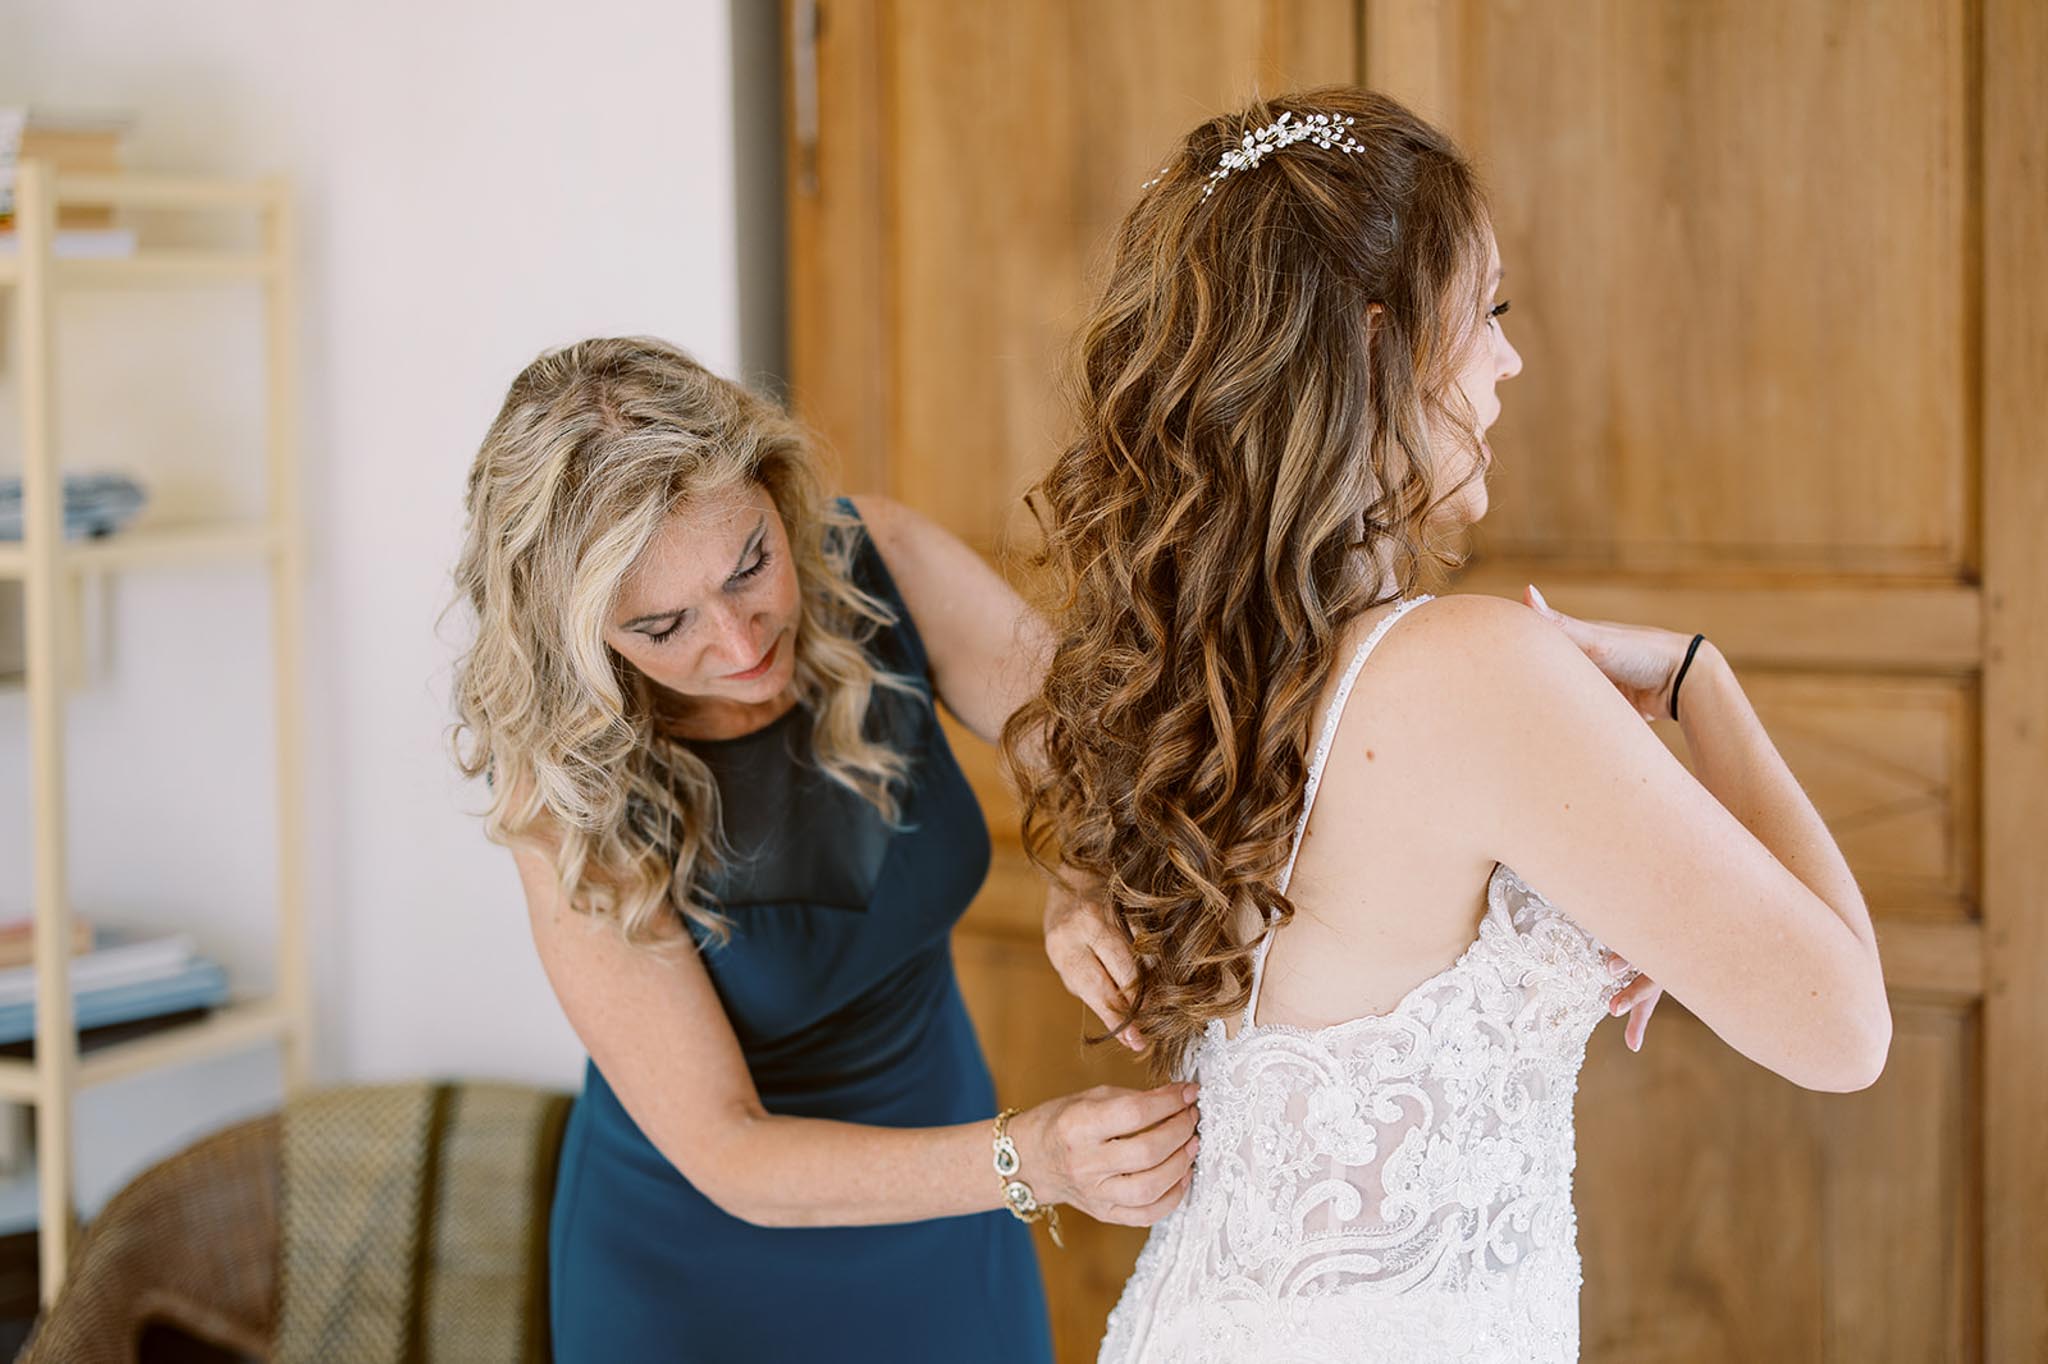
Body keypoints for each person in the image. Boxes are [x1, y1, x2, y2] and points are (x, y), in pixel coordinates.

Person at [1004, 87, 1892, 1363]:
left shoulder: (1202, 673)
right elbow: (1844, 1027)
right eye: (1487, 313)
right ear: (1378, 350)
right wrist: (1702, 682)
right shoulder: (1469, 672)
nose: (1506, 360)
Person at [447, 336, 1199, 1362]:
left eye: (749, 562)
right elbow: (730, 1149)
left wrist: (1079, 874)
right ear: (579, 636)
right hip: (701, 1269)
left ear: (772, 488)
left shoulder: (878, 560)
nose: (740, 639)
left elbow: (1089, 754)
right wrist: (1034, 1159)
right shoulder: (565, 785)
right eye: (663, 624)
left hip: (949, 1205)